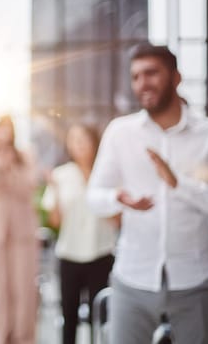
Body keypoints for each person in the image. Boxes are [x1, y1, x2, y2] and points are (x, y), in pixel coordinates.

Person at [87, 42, 208, 344]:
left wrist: (178, 184)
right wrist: (117, 198)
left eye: (151, 73)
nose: (142, 83)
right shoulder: (120, 133)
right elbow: (93, 196)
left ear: (176, 78)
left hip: (196, 281)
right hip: (131, 279)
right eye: (135, 77)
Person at [42, 124, 117, 344]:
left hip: (100, 253)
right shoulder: (61, 175)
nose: (79, 145)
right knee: (69, 317)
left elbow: (117, 218)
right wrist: (54, 189)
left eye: (83, 139)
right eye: (74, 140)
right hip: (70, 256)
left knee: (99, 317)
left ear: (94, 142)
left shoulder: (107, 174)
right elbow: (55, 221)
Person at [0, 115, 39, 344]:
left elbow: (29, 187)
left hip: (23, 234)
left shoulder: (25, 156)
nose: (5, 133)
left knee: (24, 290)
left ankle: (25, 338)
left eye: (8, 128)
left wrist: (10, 169)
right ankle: (3, 336)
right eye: (1, 128)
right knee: (1, 290)